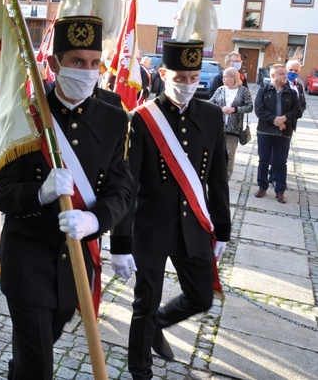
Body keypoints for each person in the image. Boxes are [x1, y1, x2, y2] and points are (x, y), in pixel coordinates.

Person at [0, 16, 133, 379]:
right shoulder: (25, 115)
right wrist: (39, 192)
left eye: (94, 63)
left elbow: (122, 189)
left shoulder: (114, 120)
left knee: (38, 347)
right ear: (54, 64)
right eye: (77, 62)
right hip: (28, 259)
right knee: (38, 367)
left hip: (76, 264)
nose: (87, 71)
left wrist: (96, 220)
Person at [111, 39, 231, 380]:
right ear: (163, 74)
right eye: (181, 77)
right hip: (150, 228)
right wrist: (120, 243)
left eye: (194, 77)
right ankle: (140, 372)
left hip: (193, 224)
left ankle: (159, 325)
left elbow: (218, 177)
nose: (188, 84)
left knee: (201, 297)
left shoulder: (210, 116)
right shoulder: (142, 118)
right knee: (144, 304)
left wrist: (222, 228)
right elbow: (128, 186)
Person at [254, 64, 300, 204]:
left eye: (286, 73)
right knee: (263, 160)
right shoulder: (264, 90)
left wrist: (284, 119)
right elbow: (259, 111)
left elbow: (297, 111)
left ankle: (280, 191)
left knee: (280, 162)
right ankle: (262, 187)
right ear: (273, 76)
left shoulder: (291, 93)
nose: (286, 76)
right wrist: (276, 120)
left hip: (284, 133)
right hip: (265, 131)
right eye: (282, 74)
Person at [208, 67, 254, 180]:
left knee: (229, 154)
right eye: (223, 77)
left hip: (234, 128)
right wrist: (221, 108)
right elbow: (210, 103)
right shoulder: (220, 90)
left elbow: (250, 107)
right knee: (216, 152)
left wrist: (235, 109)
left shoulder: (243, 91)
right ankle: (214, 175)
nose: (223, 79)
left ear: (233, 78)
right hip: (218, 126)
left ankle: (226, 177)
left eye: (225, 77)